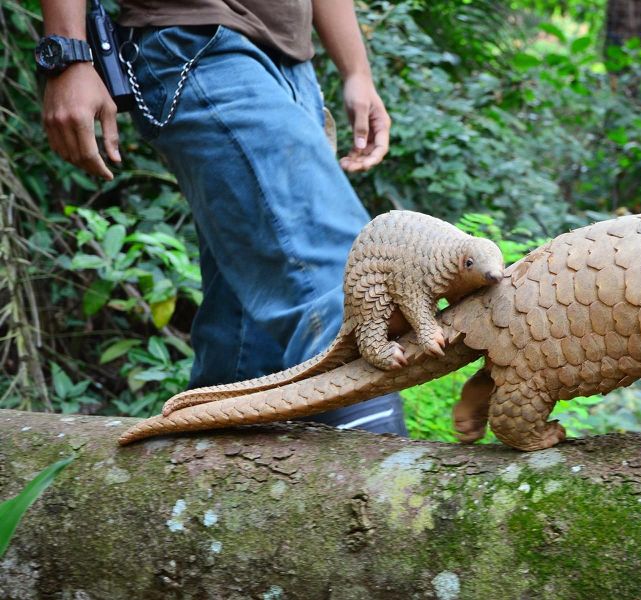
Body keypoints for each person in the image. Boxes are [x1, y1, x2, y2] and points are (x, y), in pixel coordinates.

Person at [37, 0, 407, 434]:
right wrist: (67, 53)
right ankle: (387, 497)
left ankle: (208, 488)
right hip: (194, 39)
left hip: (292, 66)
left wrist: (357, 71)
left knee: (245, 369)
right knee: (351, 298)